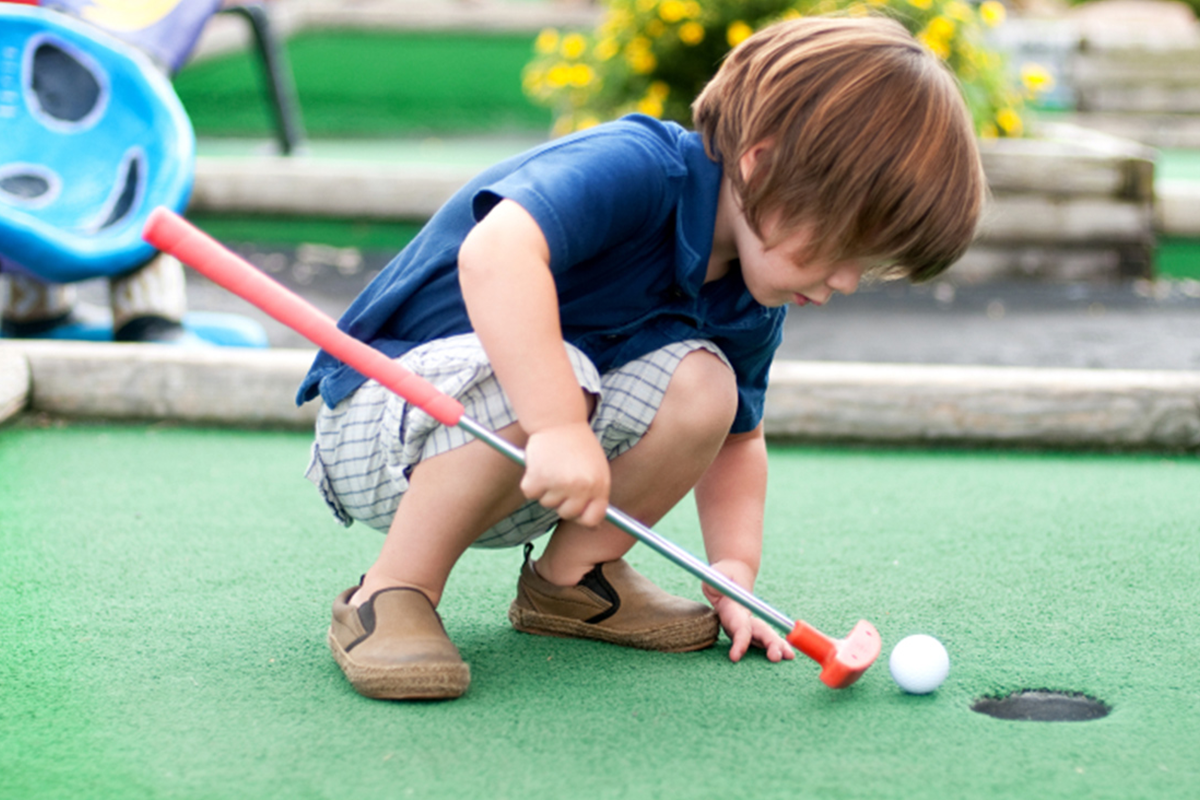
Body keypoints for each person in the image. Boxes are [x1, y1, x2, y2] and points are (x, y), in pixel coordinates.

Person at [298, 14, 985, 700]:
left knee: (707, 386)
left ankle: (573, 581)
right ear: (762, 165)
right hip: (381, 423)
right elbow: (495, 255)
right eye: (844, 247)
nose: (846, 282)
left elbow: (738, 441)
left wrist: (733, 573)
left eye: (868, 265)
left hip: (531, 465)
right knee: (560, 373)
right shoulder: (636, 167)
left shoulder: (750, 300)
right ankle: (392, 591)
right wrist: (557, 425)